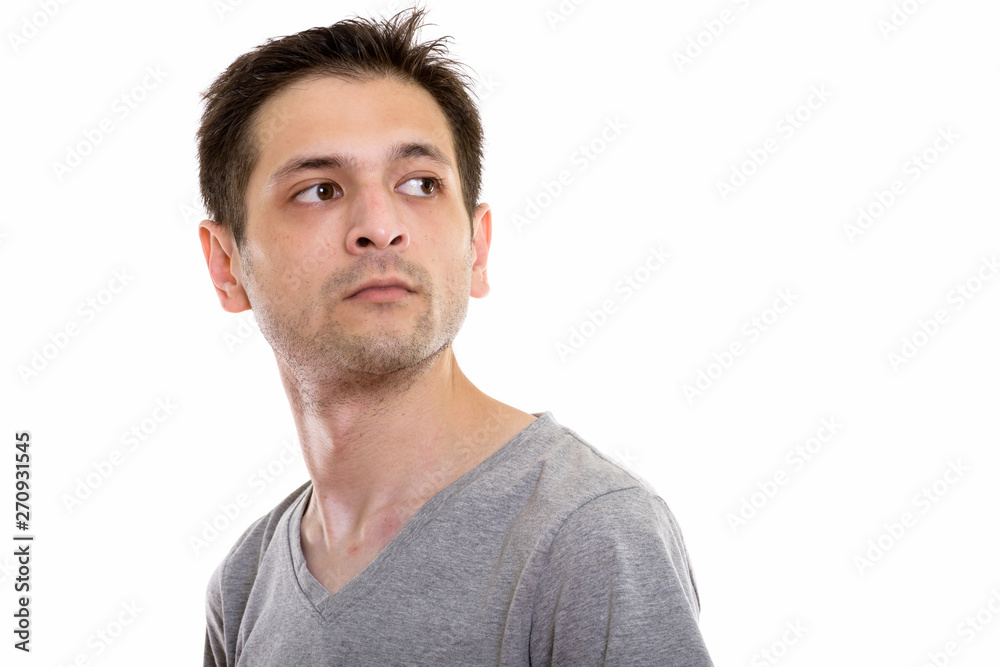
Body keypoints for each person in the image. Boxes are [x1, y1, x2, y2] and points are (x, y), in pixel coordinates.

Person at [195, 8, 714, 666]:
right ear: (225, 264)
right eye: (320, 189)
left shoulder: (588, 534)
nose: (379, 226)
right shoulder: (244, 584)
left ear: (478, 248)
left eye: (420, 184)